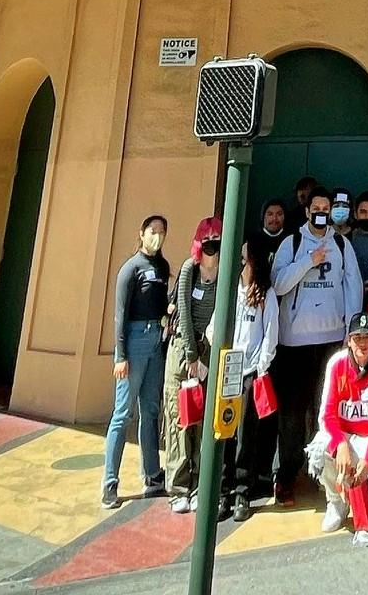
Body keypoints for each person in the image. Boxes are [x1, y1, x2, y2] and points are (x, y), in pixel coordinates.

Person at [271, 184, 364, 505]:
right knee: (293, 415)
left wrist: (350, 331)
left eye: (328, 208)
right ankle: (286, 475)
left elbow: (353, 286)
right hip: (294, 344)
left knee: (326, 412)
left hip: (331, 342)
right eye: (318, 208)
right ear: (308, 211)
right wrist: (309, 260)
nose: (323, 213)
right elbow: (279, 284)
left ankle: (322, 475)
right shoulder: (291, 243)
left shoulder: (342, 243)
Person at [308, 311, 368, 546]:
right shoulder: (336, 363)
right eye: (358, 337)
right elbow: (326, 415)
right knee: (320, 450)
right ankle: (336, 501)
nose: (363, 343)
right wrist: (340, 444)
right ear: (349, 340)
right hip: (345, 433)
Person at [102, 214, 172, 509]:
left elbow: (161, 301)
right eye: (152, 230)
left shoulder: (163, 266)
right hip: (133, 339)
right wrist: (121, 355)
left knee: (150, 410)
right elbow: (120, 313)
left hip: (157, 337)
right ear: (141, 233)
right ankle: (109, 483)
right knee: (122, 414)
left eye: (162, 231)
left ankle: (152, 475)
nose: (157, 235)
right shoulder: (130, 269)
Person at [215, 234, 279, 522]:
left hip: (250, 373)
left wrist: (260, 367)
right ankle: (221, 492)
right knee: (223, 434)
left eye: (245, 256)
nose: (241, 261)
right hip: (226, 371)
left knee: (245, 437)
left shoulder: (266, 294)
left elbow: (270, 335)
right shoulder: (228, 292)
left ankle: (242, 491)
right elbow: (215, 327)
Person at [165, 216, 222, 511]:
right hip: (184, 348)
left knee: (204, 420)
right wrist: (191, 356)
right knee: (180, 418)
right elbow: (184, 313)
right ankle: (178, 487)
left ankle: (201, 483)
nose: (213, 244)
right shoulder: (190, 269)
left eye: (217, 238)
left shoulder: (227, 271)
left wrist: (207, 356)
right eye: (208, 238)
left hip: (210, 349)